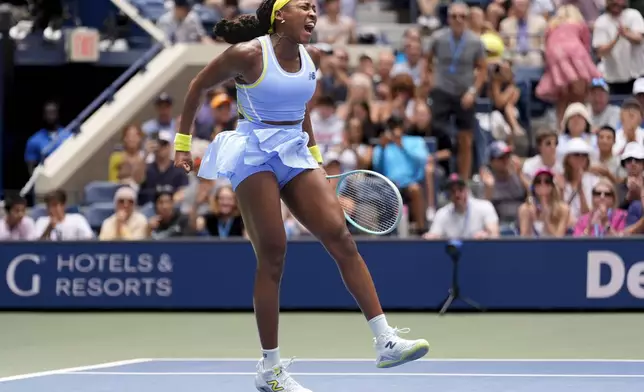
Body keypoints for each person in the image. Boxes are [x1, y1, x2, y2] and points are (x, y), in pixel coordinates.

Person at [171, 0, 430, 391]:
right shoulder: (247, 54)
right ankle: (270, 370)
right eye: (304, 6)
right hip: (255, 152)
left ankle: (385, 340)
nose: (312, 13)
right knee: (273, 253)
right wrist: (183, 144)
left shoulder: (309, 59)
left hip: (294, 152)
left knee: (340, 237)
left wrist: (316, 161)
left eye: (314, 8)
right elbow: (197, 86)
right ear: (279, 15)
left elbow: (301, 108)